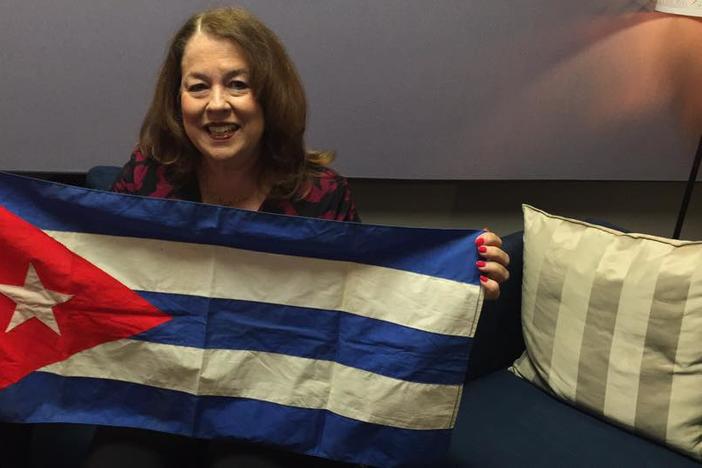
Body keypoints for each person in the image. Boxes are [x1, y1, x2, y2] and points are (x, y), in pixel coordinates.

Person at [85, 7, 511, 468]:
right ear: (177, 99)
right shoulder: (151, 175)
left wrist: (455, 283)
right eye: (198, 86)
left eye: (237, 83)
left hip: (269, 403)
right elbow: (101, 275)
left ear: (268, 95)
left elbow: (365, 301)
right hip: (158, 391)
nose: (217, 104)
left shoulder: (320, 194)